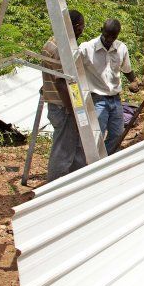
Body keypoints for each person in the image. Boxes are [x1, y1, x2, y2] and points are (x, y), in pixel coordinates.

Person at [80, 19, 141, 154]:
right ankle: (93, 165)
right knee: (97, 136)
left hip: (115, 99)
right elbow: (72, 68)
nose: (109, 39)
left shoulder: (121, 48)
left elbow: (126, 69)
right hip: (96, 99)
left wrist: (134, 81)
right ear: (102, 30)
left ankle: (106, 161)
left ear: (118, 35)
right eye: (107, 35)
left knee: (117, 134)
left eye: (113, 36)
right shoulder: (86, 48)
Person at [42, 10, 87, 181]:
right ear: (75, 27)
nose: (83, 31)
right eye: (81, 27)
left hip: (58, 104)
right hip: (64, 106)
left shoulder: (52, 42)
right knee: (63, 151)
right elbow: (61, 82)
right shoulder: (62, 48)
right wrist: (73, 110)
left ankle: (75, 182)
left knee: (74, 146)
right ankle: (56, 188)